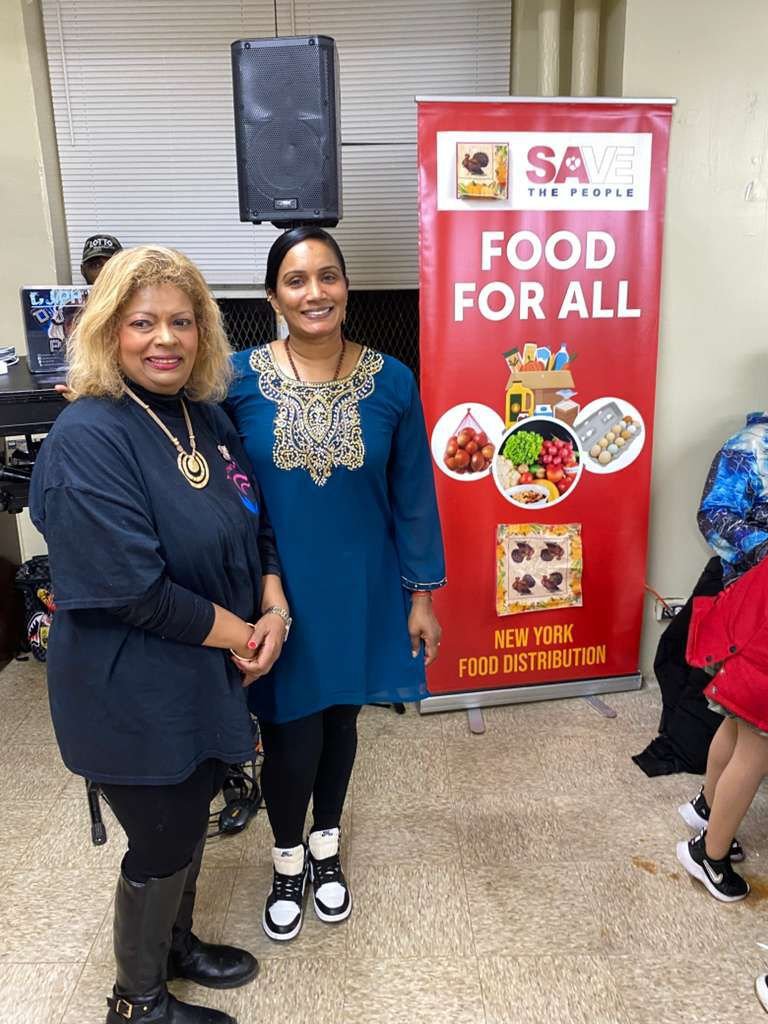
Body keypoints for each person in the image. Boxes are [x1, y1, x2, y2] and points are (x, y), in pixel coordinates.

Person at [30, 245, 290, 1024]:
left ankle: (174, 947)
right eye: (143, 322)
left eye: (182, 321)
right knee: (162, 835)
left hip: (203, 670)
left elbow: (255, 522)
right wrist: (243, 635)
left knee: (191, 813)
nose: (165, 339)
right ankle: (137, 1002)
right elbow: (133, 590)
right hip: (130, 685)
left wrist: (273, 605)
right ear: (109, 330)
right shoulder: (88, 436)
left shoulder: (202, 417)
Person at [225, 226, 445, 943]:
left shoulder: (393, 381)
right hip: (276, 590)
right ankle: (287, 858)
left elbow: (414, 495)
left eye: (328, 276)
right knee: (288, 729)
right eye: (296, 280)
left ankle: (326, 844)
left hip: (361, 585)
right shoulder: (233, 381)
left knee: (341, 723)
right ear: (273, 297)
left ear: (346, 287)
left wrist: (421, 596)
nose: (314, 292)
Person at [676, 412, 768, 907]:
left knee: (737, 725)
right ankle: (708, 854)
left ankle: (709, 811)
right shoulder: (750, 446)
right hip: (753, 612)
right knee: (758, 743)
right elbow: (713, 516)